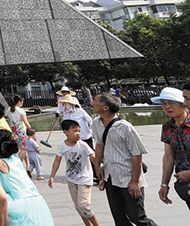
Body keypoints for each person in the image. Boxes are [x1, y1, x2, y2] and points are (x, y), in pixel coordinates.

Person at [92, 93, 157, 226]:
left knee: (137, 218)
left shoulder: (125, 127)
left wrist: (134, 182)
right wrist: (97, 166)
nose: (92, 102)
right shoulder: (96, 123)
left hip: (127, 178)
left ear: (105, 107)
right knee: (119, 218)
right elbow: (99, 145)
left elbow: (137, 154)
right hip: (110, 177)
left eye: (96, 100)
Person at [48, 120, 101, 226]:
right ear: (66, 132)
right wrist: (52, 176)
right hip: (71, 179)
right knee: (78, 207)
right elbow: (57, 160)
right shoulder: (62, 145)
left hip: (85, 178)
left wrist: (99, 164)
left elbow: (92, 157)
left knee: (83, 205)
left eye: (79, 131)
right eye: (74, 131)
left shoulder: (83, 145)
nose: (78, 134)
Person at [153, 87, 190, 210]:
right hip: (185, 184)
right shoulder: (167, 127)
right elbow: (169, 157)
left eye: (171, 103)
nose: (167, 107)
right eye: (164, 103)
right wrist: (164, 184)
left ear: (183, 104)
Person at [6, 95, 31, 170]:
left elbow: (9, 123)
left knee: (23, 149)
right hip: (22, 132)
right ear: (19, 102)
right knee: (24, 149)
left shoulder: (8, 110)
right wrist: (31, 130)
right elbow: (26, 122)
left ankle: (28, 167)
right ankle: (17, 166)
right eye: (22, 101)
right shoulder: (21, 110)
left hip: (14, 132)